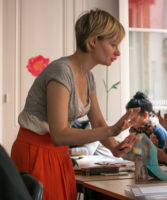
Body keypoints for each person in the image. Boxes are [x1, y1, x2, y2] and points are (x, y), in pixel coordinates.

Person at [11, 9, 140, 200]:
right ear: (93, 41)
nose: (118, 51)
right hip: (36, 153)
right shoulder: (61, 72)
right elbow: (59, 134)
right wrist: (110, 131)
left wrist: (115, 146)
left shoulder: (88, 77)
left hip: (58, 155)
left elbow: (97, 123)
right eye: (113, 44)